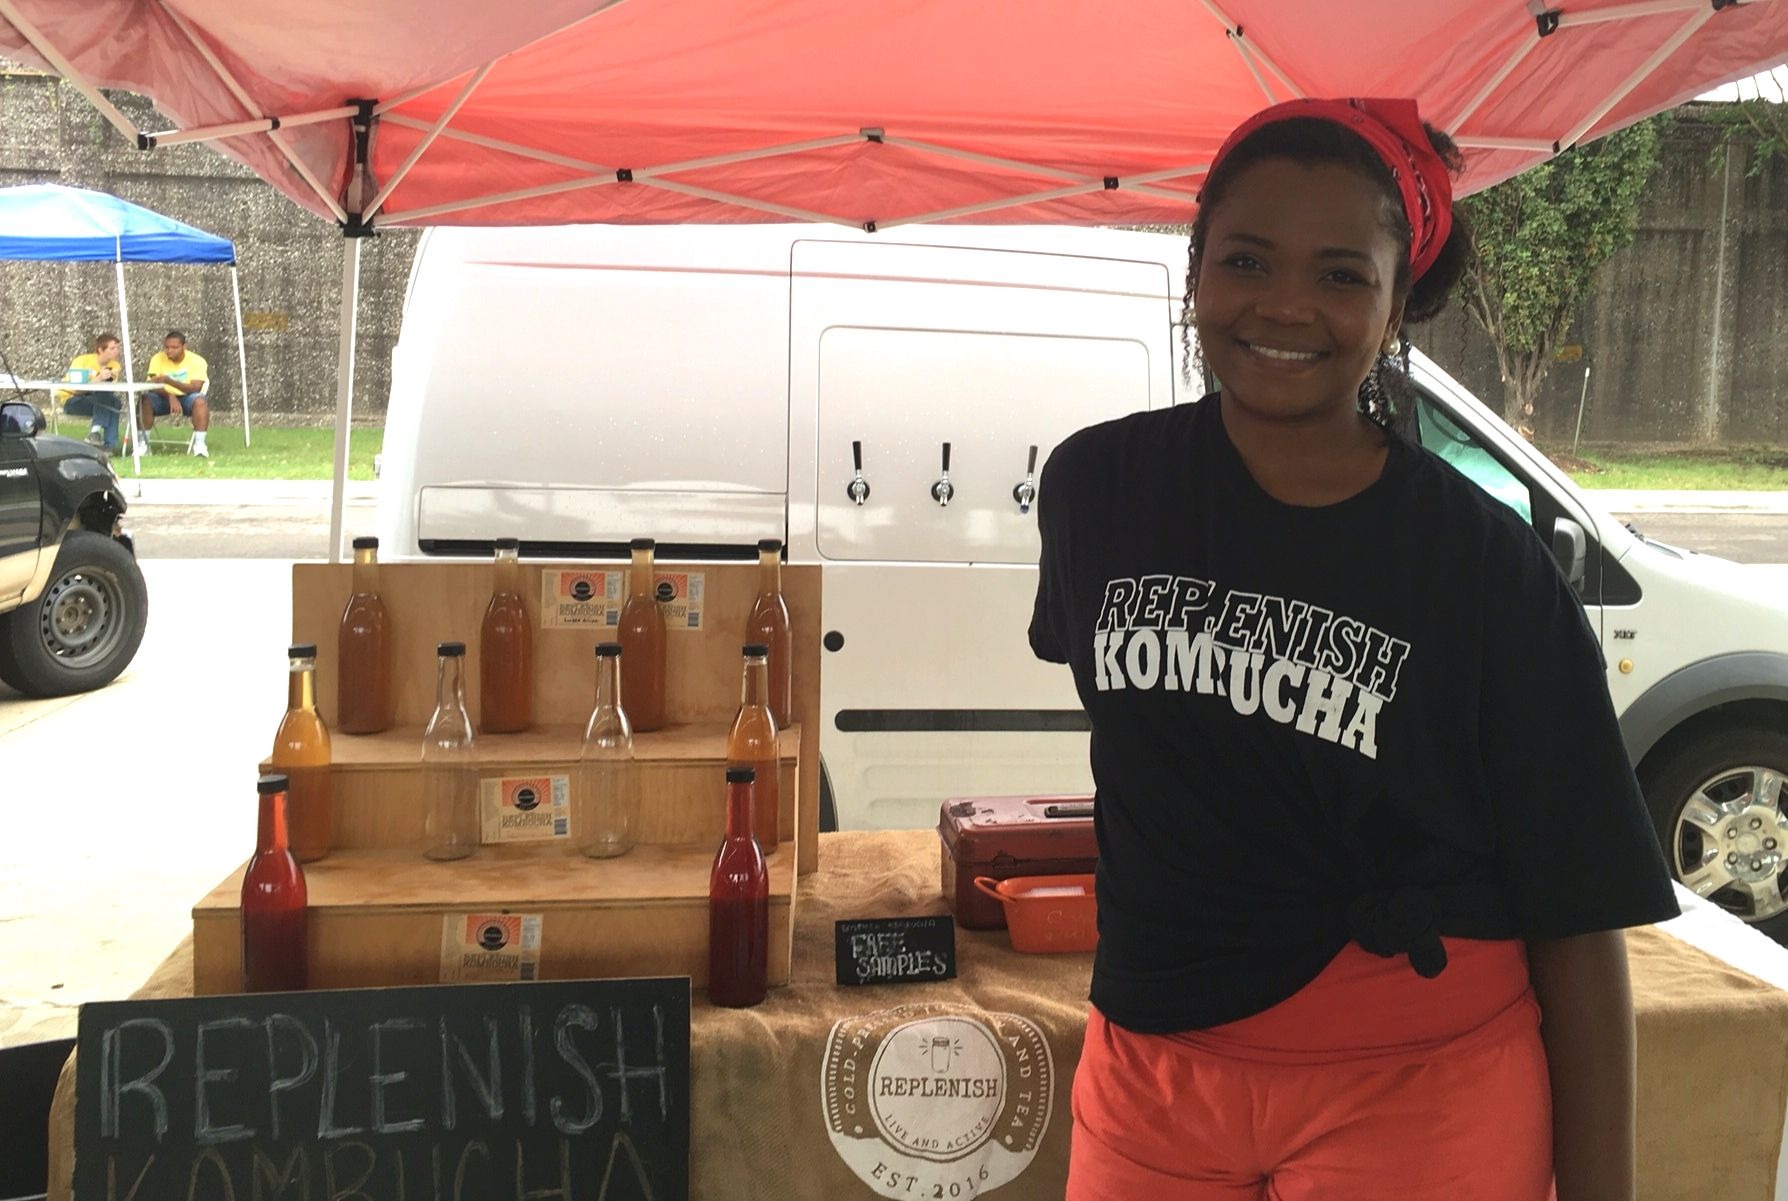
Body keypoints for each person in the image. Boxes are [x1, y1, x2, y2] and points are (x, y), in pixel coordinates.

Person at [1030, 97, 1679, 1201]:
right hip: (1153, 1070)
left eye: (1341, 275)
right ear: (1195, 272)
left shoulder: (1485, 566)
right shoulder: (1099, 488)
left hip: (1417, 1085)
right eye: (1247, 259)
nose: (1287, 305)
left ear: (1393, 310)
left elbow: (1579, 911)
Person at [141, 330, 210, 457]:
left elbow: (195, 388)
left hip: (187, 397)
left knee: (200, 401)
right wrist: (170, 396)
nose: (169, 351)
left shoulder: (197, 361)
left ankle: (199, 445)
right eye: (167, 347)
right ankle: (142, 445)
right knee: (145, 400)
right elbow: (152, 385)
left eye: (174, 347)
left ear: (184, 347)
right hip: (163, 396)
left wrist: (169, 381)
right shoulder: (157, 358)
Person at [56, 333, 125, 450]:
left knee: (114, 401)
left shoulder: (115, 365)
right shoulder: (82, 361)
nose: (117, 351)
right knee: (110, 400)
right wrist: (98, 379)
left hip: (96, 402)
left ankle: (105, 444)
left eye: (118, 348)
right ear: (100, 350)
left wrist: (106, 380)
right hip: (73, 400)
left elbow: (109, 390)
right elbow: (76, 390)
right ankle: (100, 436)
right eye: (112, 348)